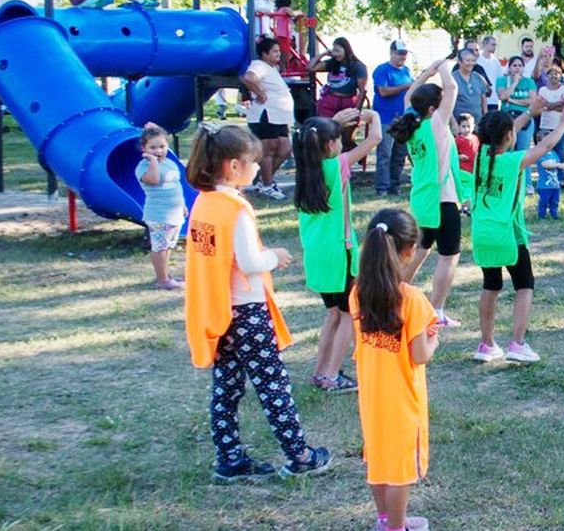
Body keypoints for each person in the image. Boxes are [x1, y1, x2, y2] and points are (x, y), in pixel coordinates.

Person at [182, 123, 331, 482]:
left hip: (221, 312)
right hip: (247, 312)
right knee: (273, 385)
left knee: (227, 387)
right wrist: (274, 255)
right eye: (254, 162)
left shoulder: (204, 202)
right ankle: (300, 456)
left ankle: (229, 458)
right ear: (233, 166)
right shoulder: (236, 208)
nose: (257, 168)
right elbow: (249, 263)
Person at [351, 208, 440, 531]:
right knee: (401, 468)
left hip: (372, 394)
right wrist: (434, 339)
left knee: (377, 458)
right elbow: (419, 355)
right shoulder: (413, 299)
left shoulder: (358, 293)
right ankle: (397, 527)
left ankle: (386, 519)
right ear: (408, 251)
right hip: (402, 399)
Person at [470, 102, 564, 364]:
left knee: (490, 285)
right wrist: (563, 121)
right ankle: (517, 343)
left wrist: (531, 112)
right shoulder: (512, 161)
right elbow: (546, 146)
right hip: (505, 232)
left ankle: (486, 344)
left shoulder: (482, 155)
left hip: (482, 232)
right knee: (525, 285)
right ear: (508, 136)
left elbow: (503, 130)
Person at [293, 108, 385, 394]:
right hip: (339, 252)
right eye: (338, 140)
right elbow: (377, 138)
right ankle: (332, 376)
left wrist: (334, 123)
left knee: (333, 313)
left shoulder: (305, 171)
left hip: (317, 254)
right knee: (348, 314)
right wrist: (371, 115)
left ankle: (321, 371)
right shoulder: (335, 167)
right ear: (331, 146)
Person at [390, 58, 463, 326]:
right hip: (442, 199)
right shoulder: (435, 125)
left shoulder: (413, 124)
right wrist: (443, 65)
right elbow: (452, 87)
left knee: (420, 250)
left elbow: (410, 94)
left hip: (422, 198)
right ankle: (437, 310)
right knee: (449, 255)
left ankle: (392, 296)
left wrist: (426, 73)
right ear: (434, 108)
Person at [240, 37, 295, 200]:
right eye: (275, 52)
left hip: (279, 117)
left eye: (279, 51)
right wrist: (260, 93)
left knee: (285, 149)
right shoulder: (259, 65)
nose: (279, 54)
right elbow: (248, 77)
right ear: (264, 54)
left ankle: (264, 180)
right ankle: (267, 185)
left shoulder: (271, 68)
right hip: (266, 115)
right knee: (269, 150)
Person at [137, 123, 186, 290]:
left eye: (162, 146)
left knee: (168, 246)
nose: (158, 151)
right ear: (144, 148)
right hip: (159, 214)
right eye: (153, 148)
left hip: (174, 214)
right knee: (159, 247)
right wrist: (152, 161)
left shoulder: (170, 164)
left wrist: (183, 206)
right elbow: (154, 180)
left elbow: (177, 186)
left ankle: (166, 274)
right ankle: (162, 280)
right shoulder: (144, 166)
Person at [372, 41, 415, 196]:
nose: (403, 56)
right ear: (391, 52)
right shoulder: (382, 70)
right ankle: (382, 187)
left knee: (399, 154)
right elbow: (383, 91)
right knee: (385, 154)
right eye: (399, 53)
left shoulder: (407, 71)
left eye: (405, 53)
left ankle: (394, 185)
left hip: (403, 118)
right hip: (385, 117)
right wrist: (406, 86)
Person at [313, 37, 369, 124]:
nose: (335, 54)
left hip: (347, 101)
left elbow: (362, 91)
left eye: (338, 51)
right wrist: (323, 54)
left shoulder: (358, 66)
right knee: (326, 130)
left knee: (346, 132)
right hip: (330, 102)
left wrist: (356, 111)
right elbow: (311, 67)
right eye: (334, 51)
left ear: (346, 50)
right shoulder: (332, 63)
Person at [536, 65, 564, 178]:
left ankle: (560, 178)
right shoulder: (542, 90)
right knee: (545, 152)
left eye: (556, 73)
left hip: (560, 126)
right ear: (546, 76)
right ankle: (546, 175)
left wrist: (549, 106)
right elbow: (542, 104)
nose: (554, 76)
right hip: (545, 125)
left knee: (561, 152)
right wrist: (558, 103)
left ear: (560, 76)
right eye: (551, 73)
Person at [451, 48, 492, 128]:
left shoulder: (478, 77)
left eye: (473, 60)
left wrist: (486, 120)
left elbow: (484, 102)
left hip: (477, 125)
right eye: (468, 60)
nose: (471, 63)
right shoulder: (452, 78)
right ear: (459, 61)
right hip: (460, 127)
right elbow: (447, 104)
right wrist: (453, 123)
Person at [454, 112, 479, 211]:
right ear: (459, 127)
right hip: (462, 170)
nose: (467, 129)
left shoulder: (475, 138)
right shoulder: (458, 140)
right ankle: (463, 206)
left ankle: (470, 205)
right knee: (464, 190)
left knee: (471, 188)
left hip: (473, 169)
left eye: (469, 126)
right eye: (464, 126)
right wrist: (459, 156)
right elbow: (451, 155)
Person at [477, 37, 505, 111]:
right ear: (485, 44)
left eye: (495, 45)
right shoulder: (477, 59)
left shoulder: (496, 62)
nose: (494, 47)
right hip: (479, 98)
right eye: (492, 45)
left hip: (493, 99)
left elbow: (500, 78)